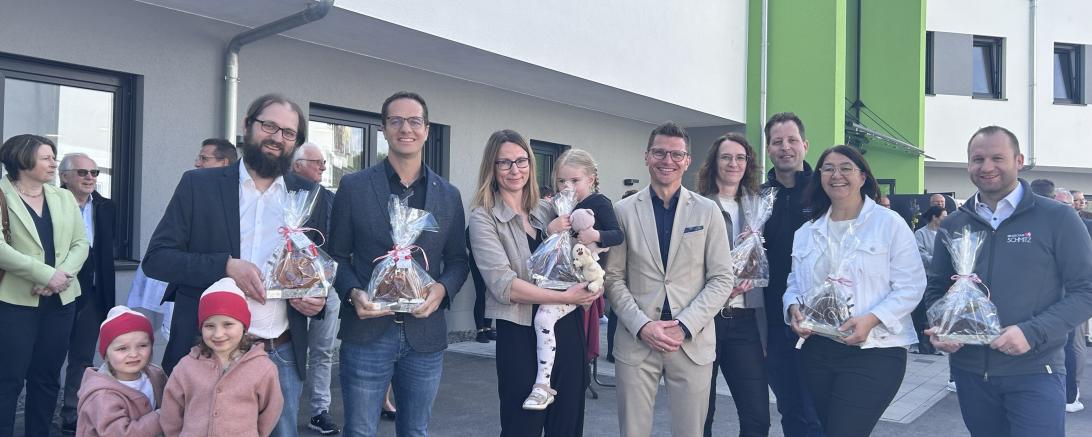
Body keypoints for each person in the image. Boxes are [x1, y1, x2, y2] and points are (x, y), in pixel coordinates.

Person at [143, 93, 327, 437]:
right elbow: (157, 259)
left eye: (288, 133)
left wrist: (315, 301)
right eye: (269, 125)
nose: (277, 138)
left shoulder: (311, 197)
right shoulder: (198, 185)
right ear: (247, 125)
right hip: (206, 352)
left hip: (279, 352)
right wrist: (225, 267)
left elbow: (317, 271)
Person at [923, 126, 1092, 437]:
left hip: (1035, 370)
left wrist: (1032, 332)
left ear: (1019, 161)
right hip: (970, 372)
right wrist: (942, 327)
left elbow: (1086, 291)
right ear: (968, 164)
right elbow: (936, 288)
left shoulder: (1057, 218)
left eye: (997, 158)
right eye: (978, 159)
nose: (987, 167)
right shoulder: (954, 224)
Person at [330, 91, 468, 437]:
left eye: (414, 121)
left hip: (425, 334)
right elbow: (336, 255)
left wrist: (442, 290)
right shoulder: (354, 187)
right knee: (359, 430)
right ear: (383, 128)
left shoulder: (448, 195)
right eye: (396, 121)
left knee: (416, 431)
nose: (406, 128)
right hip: (366, 332)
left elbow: (457, 261)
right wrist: (353, 293)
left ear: (427, 130)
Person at [783, 145, 926, 436]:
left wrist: (871, 319)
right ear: (820, 178)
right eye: (828, 169)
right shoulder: (806, 232)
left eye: (846, 168)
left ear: (862, 177)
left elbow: (911, 285)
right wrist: (793, 307)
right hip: (818, 350)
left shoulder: (889, 224)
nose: (837, 175)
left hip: (875, 350)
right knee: (828, 429)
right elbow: (795, 283)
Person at [603, 122, 734, 437]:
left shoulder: (708, 211)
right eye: (660, 152)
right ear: (647, 156)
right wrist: (641, 325)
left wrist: (685, 325)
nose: (667, 160)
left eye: (676, 154)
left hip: (690, 341)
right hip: (637, 339)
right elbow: (613, 278)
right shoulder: (622, 211)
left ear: (687, 160)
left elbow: (721, 278)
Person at [469, 129, 597, 436]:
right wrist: (566, 296)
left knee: (567, 425)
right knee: (521, 427)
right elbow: (504, 285)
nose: (515, 169)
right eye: (504, 162)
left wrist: (593, 279)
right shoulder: (483, 218)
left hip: (566, 327)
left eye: (521, 160)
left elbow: (580, 253)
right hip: (519, 332)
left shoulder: (549, 208)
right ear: (492, 167)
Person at [0, 134, 89, 437]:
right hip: (13, 302)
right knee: (8, 379)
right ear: (22, 160)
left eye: (53, 157)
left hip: (60, 301)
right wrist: (45, 275)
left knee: (48, 378)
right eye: (46, 158)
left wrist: (60, 276)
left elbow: (81, 243)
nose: (54, 163)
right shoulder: (2, 194)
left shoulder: (62, 197)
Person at [520, 148, 622, 411]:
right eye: (562, 181)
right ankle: (546, 382)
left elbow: (617, 235)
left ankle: (542, 384)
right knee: (545, 320)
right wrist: (551, 229)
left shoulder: (599, 202)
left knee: (544, 319)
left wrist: (596, 235)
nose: (567, 186)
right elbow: (554, 243)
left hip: (585, 278)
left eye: (575, 180)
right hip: (562, 277)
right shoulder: (559, 206)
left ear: (591, 178)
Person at [695, 132, 770, 437]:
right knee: (701, 415)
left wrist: (753, 268)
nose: (733, 163)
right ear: (714, 162)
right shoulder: (697, 205)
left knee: (757, 417)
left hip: (746, 321)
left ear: (748, 163)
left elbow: (771, 260)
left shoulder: (760, 207)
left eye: (740, 157)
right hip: (705, 321)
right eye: (726, 157)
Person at [129, 139, 237, 340]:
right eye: (198, 158)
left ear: (224, 163)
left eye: (204, 158)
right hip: (189, 300)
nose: (197, 163)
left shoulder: (238, 203)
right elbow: (158, 256)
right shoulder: (192, 188)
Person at [759, 113, 824, 437]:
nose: (785, 147)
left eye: (792, 140)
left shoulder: (824, 193)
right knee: (789, 407)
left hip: (819, 320)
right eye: (777, 142)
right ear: (768, 148)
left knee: (818, 410)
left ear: (805, 145)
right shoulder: (758, 198)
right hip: (773, 319)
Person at [160, 278, 284, 437]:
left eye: (228, 324)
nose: (218, 334)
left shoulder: (263, 368)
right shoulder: (186, 367)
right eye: (209, 326)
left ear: (244, 326)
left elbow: (271, 409)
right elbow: (171, 411)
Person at [53, 153, 117, 433]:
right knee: (50, 355)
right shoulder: (50, 203)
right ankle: (41, 410)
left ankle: (72, 414)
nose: (90, 177)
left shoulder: (106, 207)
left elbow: (105, 253)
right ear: (64, 176)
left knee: (82, 357)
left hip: (93, 293)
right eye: (82, 172)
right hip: (56, 291)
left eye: (94, 172)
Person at [291, 142, 341, 435]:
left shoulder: (330, 199)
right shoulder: (281, 195)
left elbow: (339, 241)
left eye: (324, 162)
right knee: (287, 350)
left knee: (323, 350)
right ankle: (281, 410)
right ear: (297, 164)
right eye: (317, 162)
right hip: (287, 288)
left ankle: (320, 411)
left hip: (326, 286)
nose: (323, 166)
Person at [75, 306, 164, 437]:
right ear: (106, 354)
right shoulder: (102, 395)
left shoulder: (156, 376)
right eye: (122, 349)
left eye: (142, 345)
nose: (134, 354)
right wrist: (163, 415)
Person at [1053, 188, 1091, 413]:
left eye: (1081, 201)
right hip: (1057, 293)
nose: (1080, 203)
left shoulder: (1086, 226)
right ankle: (1068, 392)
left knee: (1073, 342)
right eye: (1076, 200)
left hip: (1076, 293)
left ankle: (1071, 390)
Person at [910, 206, 946, 355]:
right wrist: (938, 261)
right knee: (920, 311)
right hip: (924, 277)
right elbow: (920, 253)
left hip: (940, 278)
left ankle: (937, 344)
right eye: (943, 216)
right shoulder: (921, 233)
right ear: (935, 217)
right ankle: (915, 343)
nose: (946, 219)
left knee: (938, 310)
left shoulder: (944, 233)